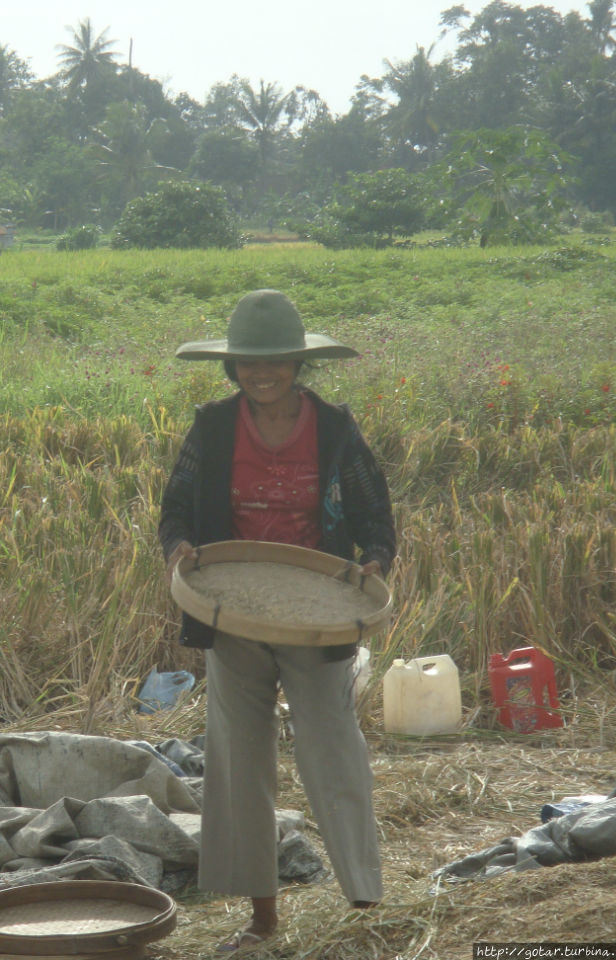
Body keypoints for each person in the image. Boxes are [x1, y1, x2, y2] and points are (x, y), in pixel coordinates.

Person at [157, 290, 395, 953]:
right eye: (249, 365)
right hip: (234, 609)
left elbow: (377, 518)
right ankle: (262, 919)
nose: (263, 375)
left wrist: (373, 562)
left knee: (332, 742)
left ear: (298, 365)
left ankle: (365, 897)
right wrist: (178, 549)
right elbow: (175, 508)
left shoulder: (335, 428)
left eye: (278, 364)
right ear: (233, 369)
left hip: (318, 613)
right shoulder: (211, 426)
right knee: (237, 759)